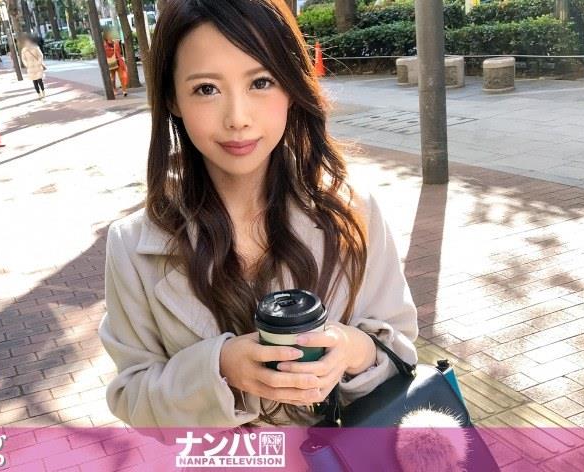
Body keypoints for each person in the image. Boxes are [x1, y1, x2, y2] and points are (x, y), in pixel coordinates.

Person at [99, 0, 418, 428]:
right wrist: (220, 369)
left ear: (291, 86)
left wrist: (351, 349)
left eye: (261, 82)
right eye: (206, 89)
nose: (238, 118)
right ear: (173, 97)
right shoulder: (133, 246)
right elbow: (133, 397)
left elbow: (401, 350)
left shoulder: (354, 212)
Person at [19, 34, 46, 100]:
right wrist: (27, 65)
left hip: (37, 66)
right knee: (35, 82)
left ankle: (43, 92)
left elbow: (40, 55)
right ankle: (39, 94)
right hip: (30, 67)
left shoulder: (36, 47)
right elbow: (23, 59)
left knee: (40, 80)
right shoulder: (24, 50)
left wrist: (39, 62)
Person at [102, 30, 128, 97]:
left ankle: (124, 90)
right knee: (112, 78)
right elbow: (106, 54)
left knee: (122, 77)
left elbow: (119, 52)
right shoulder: (104, 45)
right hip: (110, 63)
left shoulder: (116, 43)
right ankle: (114, 90)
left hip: (118, 62)